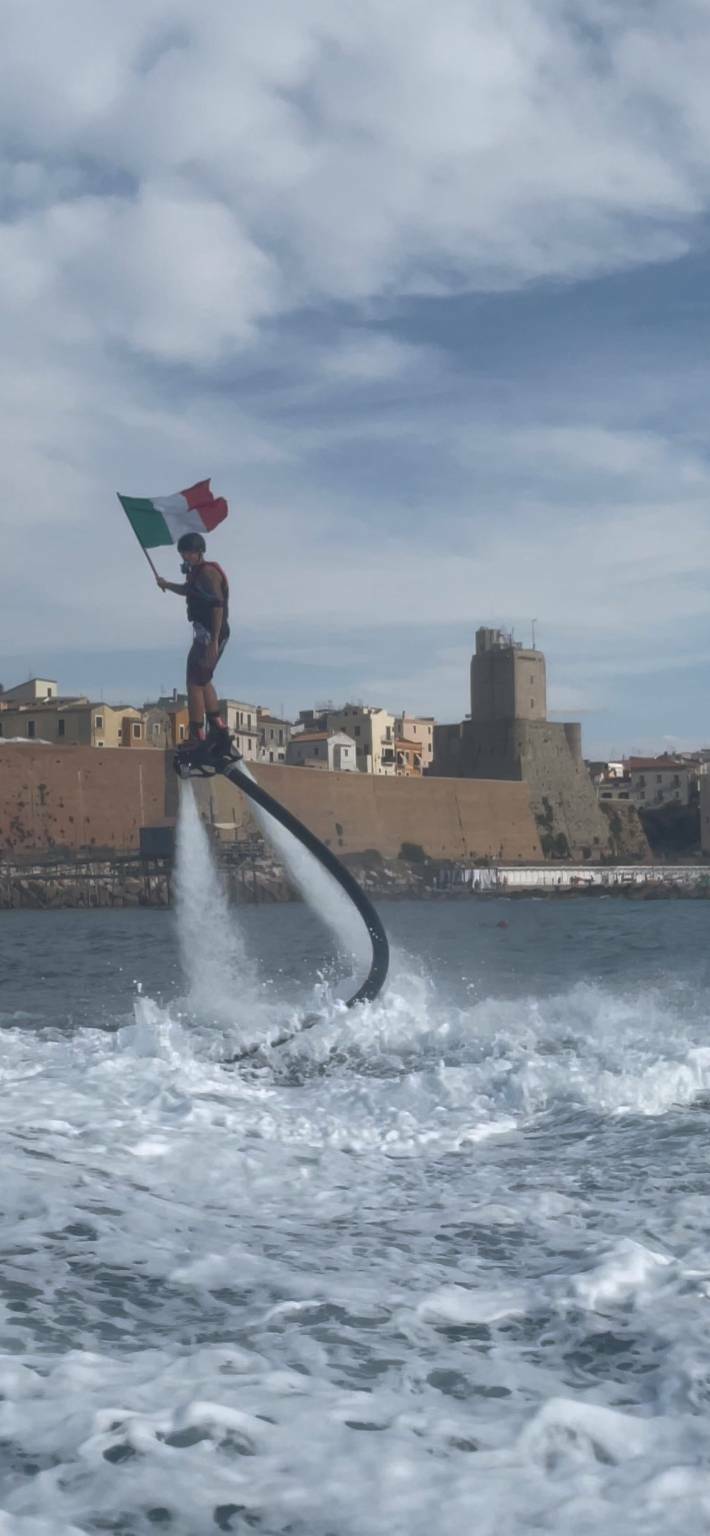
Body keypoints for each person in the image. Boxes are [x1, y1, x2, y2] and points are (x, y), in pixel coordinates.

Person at [156, 532, 231, 753]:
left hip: (210, 635)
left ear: (198, 552)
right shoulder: (196, 574)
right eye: (182, 553)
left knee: (194, 683)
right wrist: (167, 584)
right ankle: (218, 727)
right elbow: (188, 591)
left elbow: (217, 606)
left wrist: (214, 641)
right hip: (206, 634)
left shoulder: (208, 573)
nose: (184, 556)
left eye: (188, 552)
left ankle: (198, 734)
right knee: (204, 679)